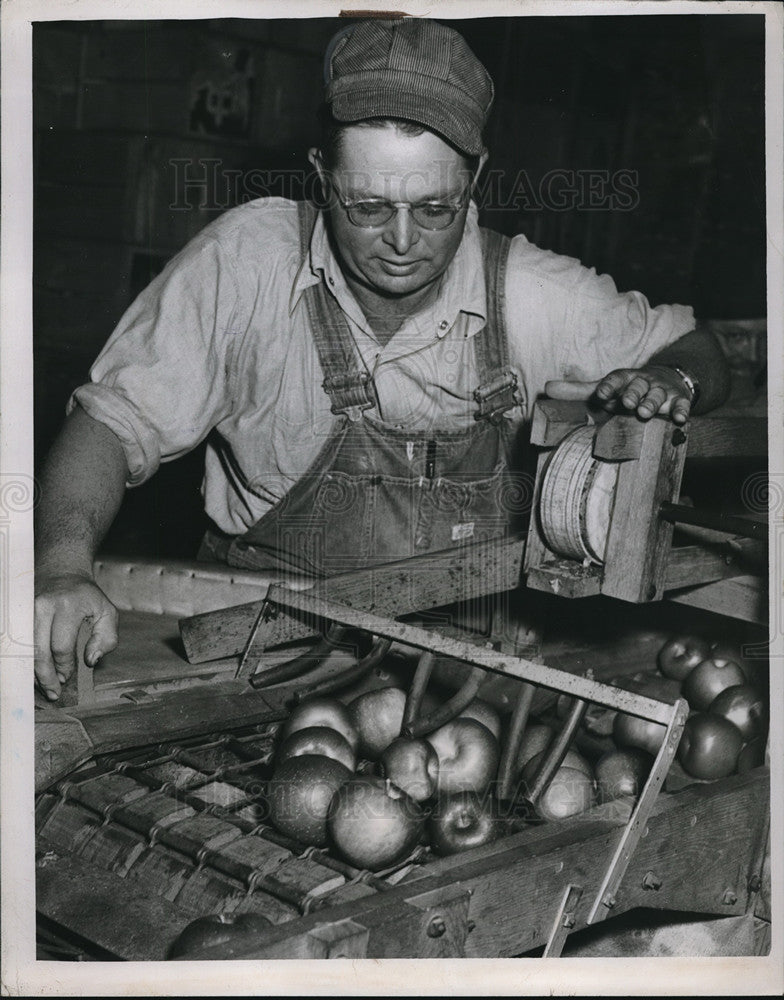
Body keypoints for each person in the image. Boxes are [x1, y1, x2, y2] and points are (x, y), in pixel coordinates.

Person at [34, 18, 730, 701]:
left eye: (435, 209)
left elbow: (696, 345)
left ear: (476, 177)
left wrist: (673, 379)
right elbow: (111, 423)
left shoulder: (530, 290)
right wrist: (63, 565)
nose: (402, 242)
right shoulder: (246, 265)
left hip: (460, 673)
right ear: (321, 174)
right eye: (367, 206)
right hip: (261, 649)